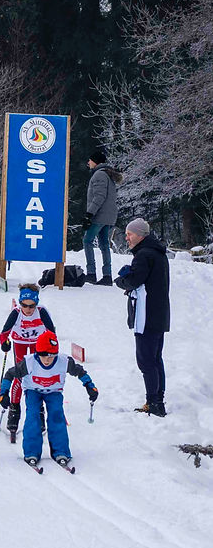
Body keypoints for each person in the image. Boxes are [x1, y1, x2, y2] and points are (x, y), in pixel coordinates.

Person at [0, 331, 98, 467]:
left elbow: (80, 372)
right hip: (33, 391)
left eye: (51, 355)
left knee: (57, 415)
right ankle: (31, 452)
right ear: (37, 353)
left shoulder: (64, 361)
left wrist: (89, 386)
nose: (47, 359)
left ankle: (60, 451)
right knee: (33, 415)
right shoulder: (29, 363)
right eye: (43, 355)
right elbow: (10, 374)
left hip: (54, 392)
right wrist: (4, 393)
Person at [115, 218, 170, 417]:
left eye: (130, 234)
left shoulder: (144, 255)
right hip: (159, 314)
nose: (127, 238)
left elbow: (134, 281)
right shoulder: (157, 253)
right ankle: (158, 401)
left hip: (146, 316)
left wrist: (121, 280)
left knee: (146, 361)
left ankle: (153, 403)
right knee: (155, 359)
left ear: (141, 235)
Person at [0, 284, 56, 437]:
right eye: (24, 305)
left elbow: (52, 333)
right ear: (20, 303)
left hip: (39, 344)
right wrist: (4, 343)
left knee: (39, 375)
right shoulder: (16, 313)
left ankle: (39, 411)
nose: (28, 309)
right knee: (20, 375)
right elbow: (4, 333)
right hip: (20, 344)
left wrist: (51, 347)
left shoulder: (41, 312)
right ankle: (14, 410)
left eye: (31, 306)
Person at [82, 150, 122, 286]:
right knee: (104, 244)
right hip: (109, 217)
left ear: (96, 161)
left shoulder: (99, 175)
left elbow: (99, 196)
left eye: (90, 160)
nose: (88, 163)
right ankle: (107, 275)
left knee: (87, 241)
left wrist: (89, 214)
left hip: (99, 215)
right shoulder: (108, 175)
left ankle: (91, 273)